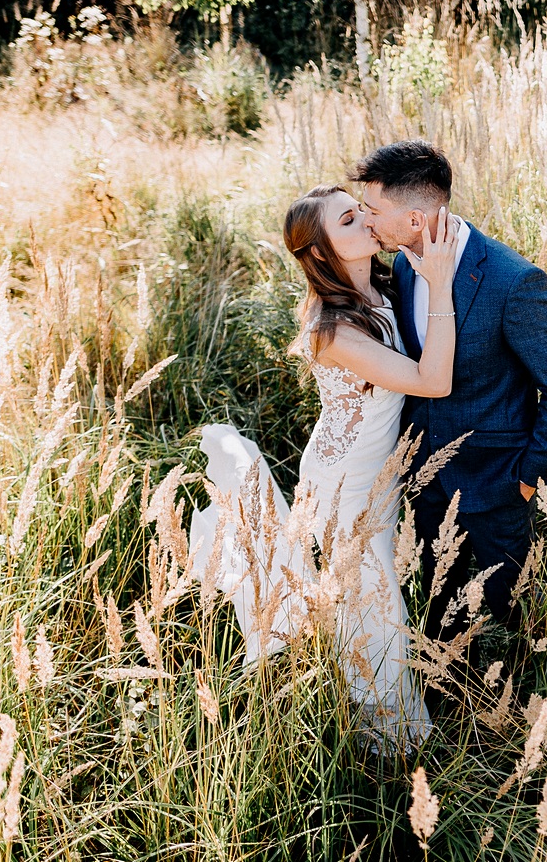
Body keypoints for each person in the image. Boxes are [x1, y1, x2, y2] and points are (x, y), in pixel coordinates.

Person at [187, 184, 459, 752]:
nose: (364, 221)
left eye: (361, 211)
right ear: (320, 252)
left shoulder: (384, 284)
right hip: (343, 484)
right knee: (374, 601)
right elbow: (433, 382)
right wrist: (440, 284)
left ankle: (386, 727)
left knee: (370, 595)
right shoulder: (332, 329)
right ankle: (390, 740)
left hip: (375, 472)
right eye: (347, 219)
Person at [352, 140, 547, 644]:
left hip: (497, 484)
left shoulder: (513, 281)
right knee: (440, 615)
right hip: (425, 480)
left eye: (374, 210)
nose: (366, 219)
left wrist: (528, 478)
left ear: (416, 219)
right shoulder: (400, 265)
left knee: (509, 619)